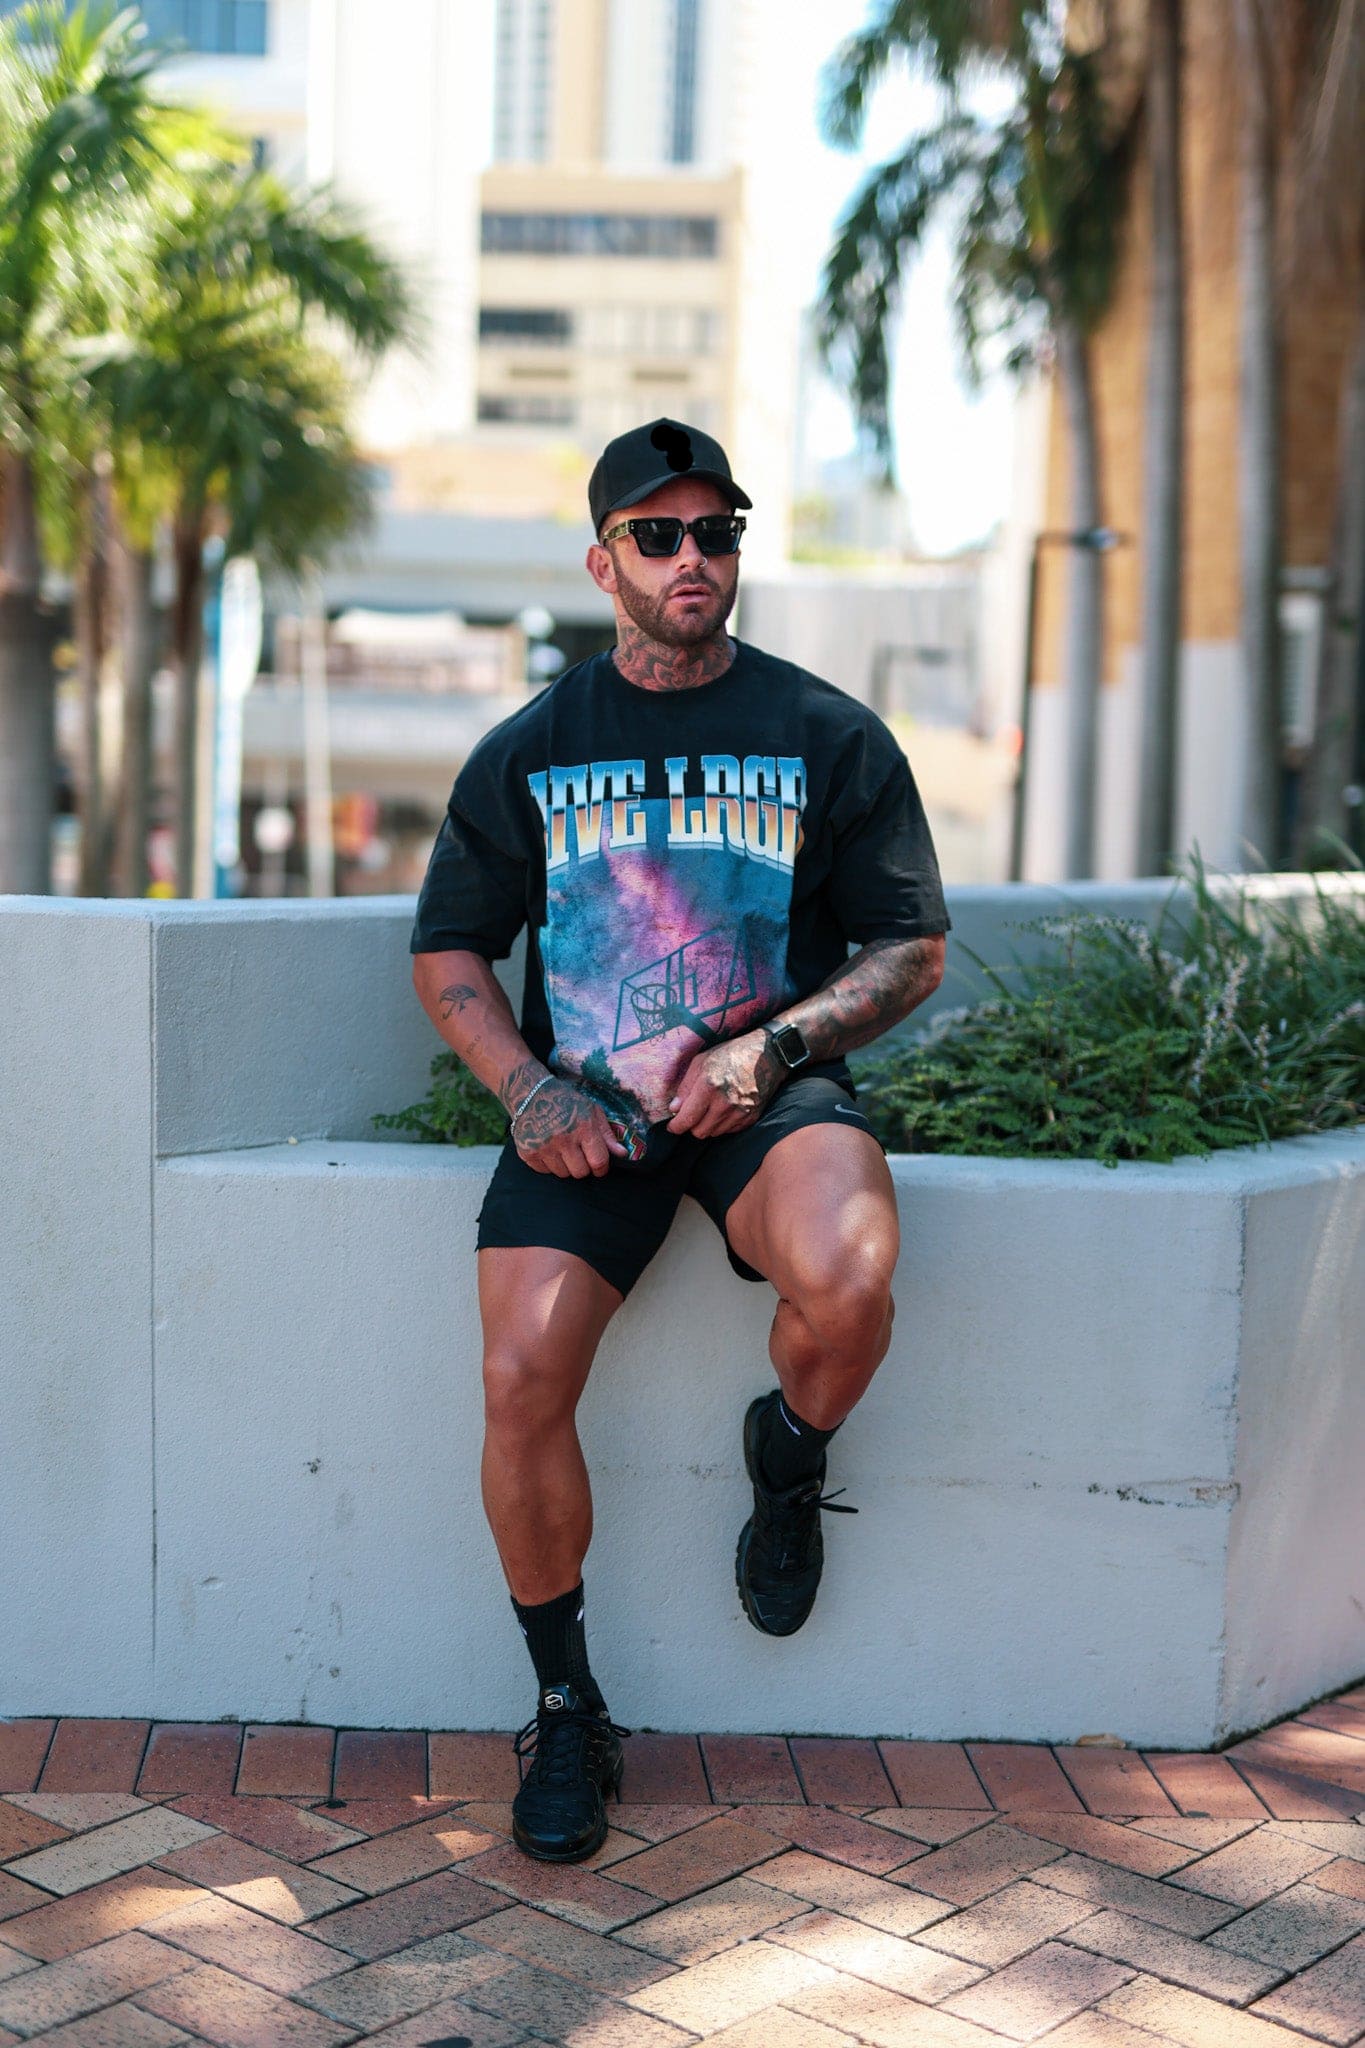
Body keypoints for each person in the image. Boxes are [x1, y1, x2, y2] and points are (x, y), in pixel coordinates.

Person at [411, 416, 949, 1863]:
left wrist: (773, 1047)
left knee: (849, 1275)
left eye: (716, 532)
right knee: (521, 1372)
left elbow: (910, 947)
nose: (693, 557)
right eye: (659, 536)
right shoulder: (531, 748)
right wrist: (531, 1091)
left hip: (758, 1097)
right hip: (585, 1113)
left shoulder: (826, 734)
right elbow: (452, 952)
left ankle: (788, 1453)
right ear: (604, 563)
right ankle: (570, 1706)